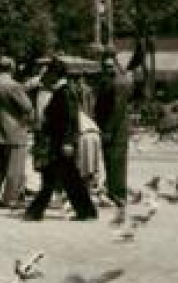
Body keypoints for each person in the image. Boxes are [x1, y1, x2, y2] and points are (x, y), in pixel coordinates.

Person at [24, 59, 99, 222]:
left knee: (58, 178)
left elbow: (71, 119)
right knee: (66, 178)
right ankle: (86, 211)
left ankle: (36, 211)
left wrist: (68, 142)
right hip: (58, 142)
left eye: (48, 73)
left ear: (54, 74)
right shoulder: (63, 91)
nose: (45, 77)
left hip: (61, 143)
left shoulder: (64, 92)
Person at [0, 55, 33, 207]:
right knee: (14, 166)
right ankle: (11, 197)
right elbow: (28, 107)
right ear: (12, 68)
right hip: (15, 130)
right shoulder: (13, 85)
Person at [92, 51, 133, 207]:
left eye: (108, 65)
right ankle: (116, 193)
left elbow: (115, 109)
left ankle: (117, 195)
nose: (106, 68)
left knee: (114, 160)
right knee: (115, 161)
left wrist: (108, 129)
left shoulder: (115, 83)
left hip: (114, 128)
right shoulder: (122, 80)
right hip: (119, 128)